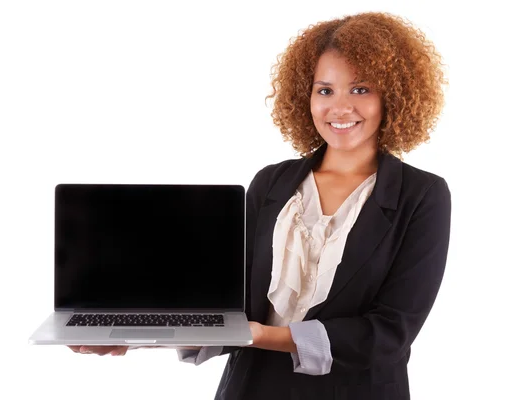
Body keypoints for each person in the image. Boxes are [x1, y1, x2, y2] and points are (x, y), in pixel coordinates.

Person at [71, 11, 451, 400]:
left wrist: (265, 335)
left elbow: (389, 333)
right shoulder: (273, 182)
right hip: (252, 388)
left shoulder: (422, 196)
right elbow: (226, 305)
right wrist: (132, 338)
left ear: (394, 94)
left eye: (360, 89)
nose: (339, 108)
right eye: (324, 90)